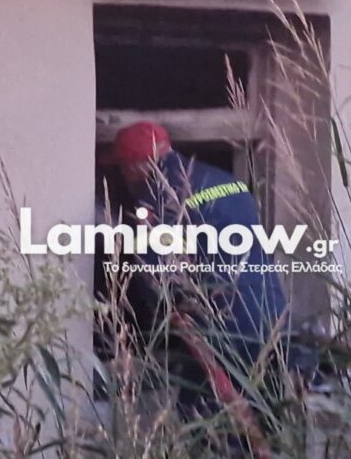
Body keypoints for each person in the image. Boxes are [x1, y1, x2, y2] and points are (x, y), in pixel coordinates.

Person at [110, 121, 291, 430]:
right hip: (271, 313)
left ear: (133, 167)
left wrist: (154, 322)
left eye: (122, 170)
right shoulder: (227, 180)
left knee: (206, 423)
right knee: (266, 417)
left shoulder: (157, 197)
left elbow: (155, 277)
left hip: (222, 326)